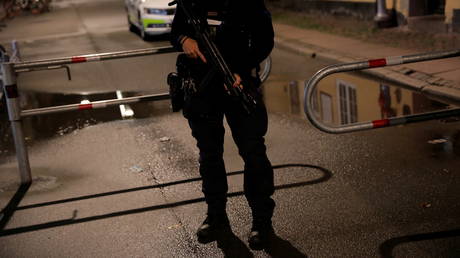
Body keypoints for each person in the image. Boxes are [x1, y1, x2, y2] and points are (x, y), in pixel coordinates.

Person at [170, 0, 275, 250]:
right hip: (202, 89)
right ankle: (216, 216)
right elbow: (176, 30)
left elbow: (264, 40)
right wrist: (184, 40)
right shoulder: (191, 1)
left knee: (254, 153)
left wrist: (241, 69)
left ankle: (262, 220)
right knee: (209, 155)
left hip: (238, 83)